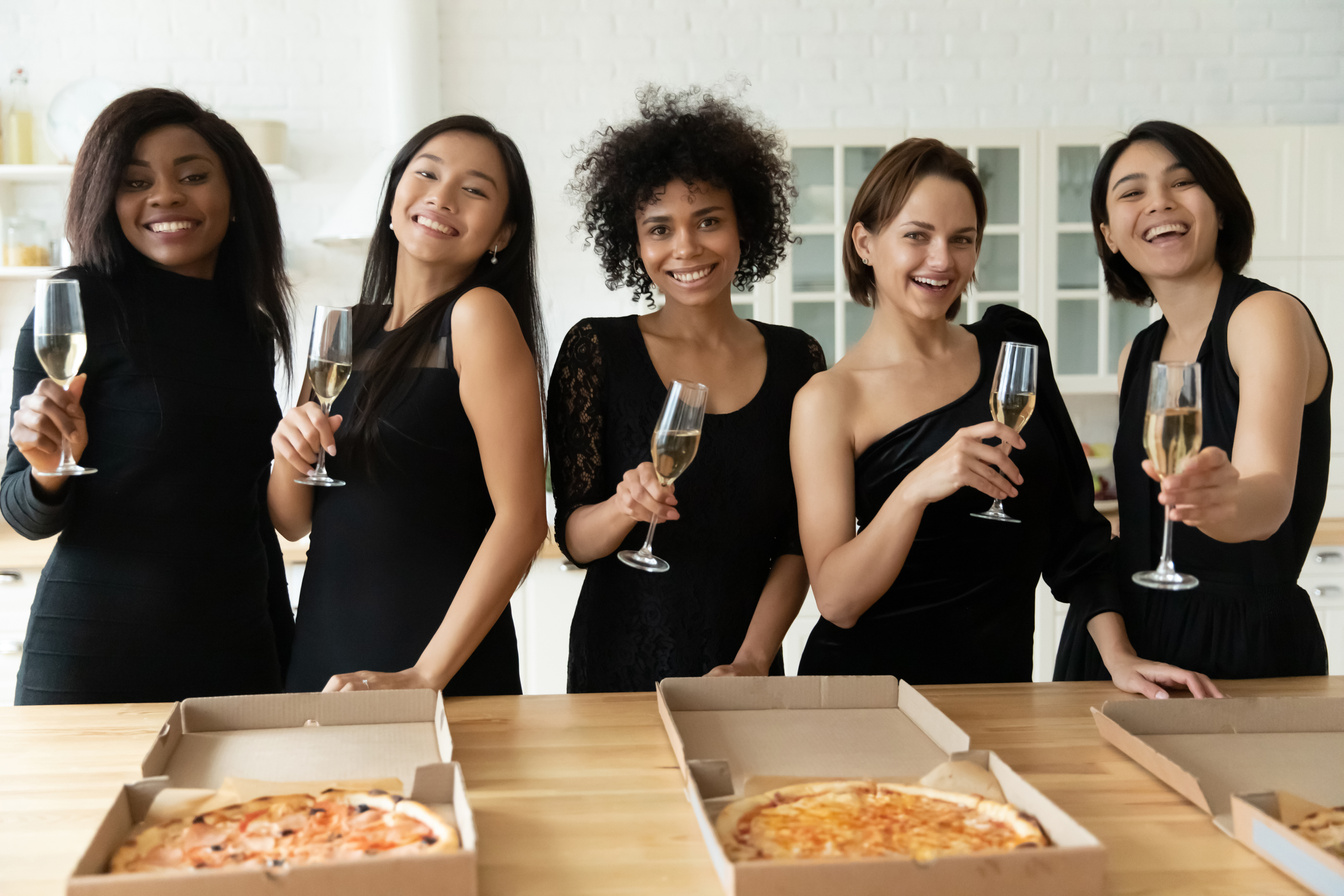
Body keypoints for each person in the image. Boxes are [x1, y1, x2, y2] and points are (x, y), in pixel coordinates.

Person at [792, 137, 1217, 698]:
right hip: (869, 693)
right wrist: (917, 487)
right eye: (916, 236)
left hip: (999, 689)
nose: (942, 260)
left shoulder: (1012, 346)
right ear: (865, 243)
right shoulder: (830, 398)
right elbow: (838, 601)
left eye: (961, 240)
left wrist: (1119, 657)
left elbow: (1075, 534)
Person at [3, 88, 295, 704]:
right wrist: (48, 471)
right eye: (135, 182)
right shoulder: (74, 304)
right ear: (108, 202)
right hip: (100, 651)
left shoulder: (250, 325)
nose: (165, 195)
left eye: (193, 175)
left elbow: (248, 504)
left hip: (238, 645)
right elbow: (22, 513)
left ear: (236, 196)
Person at [549, 86, 825, 692]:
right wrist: (624, 506)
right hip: (615, 666)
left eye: (708, 221)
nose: (686, 248)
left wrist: (754, 659)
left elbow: (800, 539)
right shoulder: (595, 352)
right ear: (635, 240)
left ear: (743, 225)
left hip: (744, 669)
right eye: (659, 228)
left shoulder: (797, 359)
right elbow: (574, 539)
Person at [270, 116, 547, 696]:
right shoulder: (343, 328)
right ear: (395, 197)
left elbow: (523, 523)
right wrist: (288, 449)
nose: (442, 197)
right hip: (324, 647)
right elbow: (292, 520)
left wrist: (424, 676)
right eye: (427, 174)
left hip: (437, 663)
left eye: (474, 190)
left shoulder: (478, 316)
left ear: (502, 232)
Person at [1058, 120, 1331, 681]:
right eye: (1132, 192)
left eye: (1182, 183)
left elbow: (1269, 498)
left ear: (1221, 207)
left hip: (1239, 646)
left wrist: (1221, 501)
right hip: (1130, 646)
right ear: (1110, 235)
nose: (1159, 202)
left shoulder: (1264, 317)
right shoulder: (1136, 355)